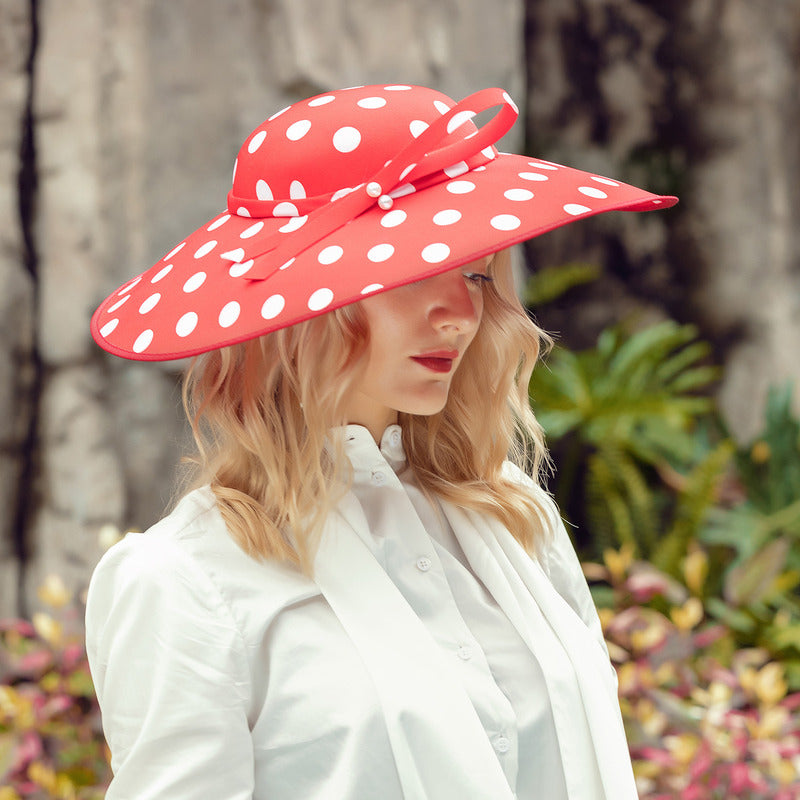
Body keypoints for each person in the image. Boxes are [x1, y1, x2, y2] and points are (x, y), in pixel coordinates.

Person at [85, 84, 676, 800]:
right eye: (409, 269)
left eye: (473, 270)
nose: (460, 314)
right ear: (304, 303)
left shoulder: (513, 516)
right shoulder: (186, 583)